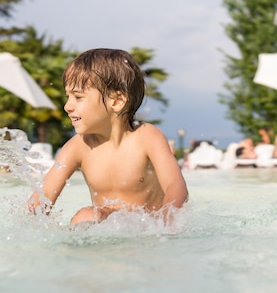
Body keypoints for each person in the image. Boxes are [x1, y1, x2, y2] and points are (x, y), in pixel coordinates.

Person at [28, 48, 189, 224]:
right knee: (85, 218)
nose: (67, 106)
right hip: (106, 234)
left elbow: (176, 186)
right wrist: (28, 222)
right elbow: (42, 198)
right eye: (68, 97)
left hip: (148, 232)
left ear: (117, 101)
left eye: (78, 97)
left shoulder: (147, 137)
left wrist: (168, 220)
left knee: (87, 216)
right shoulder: (77, 147)